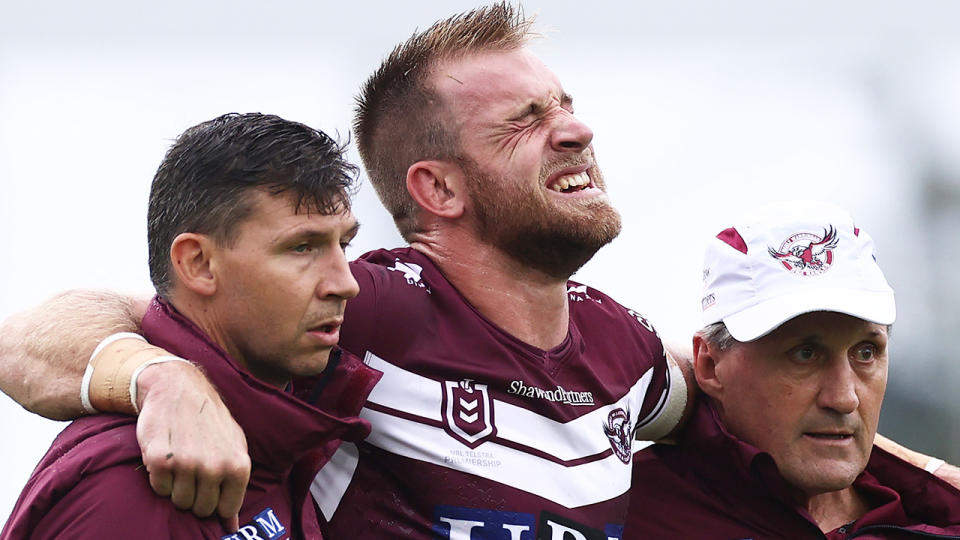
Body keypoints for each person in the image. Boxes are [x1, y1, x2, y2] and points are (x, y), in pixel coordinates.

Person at [0, 3, 955, 539]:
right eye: (525, 123)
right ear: (439, 189)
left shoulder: (622, 350)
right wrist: (162, 377)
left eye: (567, 105)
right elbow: (39, 336)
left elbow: (745, 394)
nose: (576, 128)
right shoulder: (357, 307)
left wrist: (910, 471)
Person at [0, 113, 380, 539]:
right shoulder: (127, 490)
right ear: (198, 263)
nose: (346, 284)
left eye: (343, 244)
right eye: (302, 247)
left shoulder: (280, 419)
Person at [623, 201, 960, 539]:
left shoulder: (935, 523)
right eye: (805, 354)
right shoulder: (616, 513)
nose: (844, 399)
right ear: (710, 365)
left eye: (866, 352)